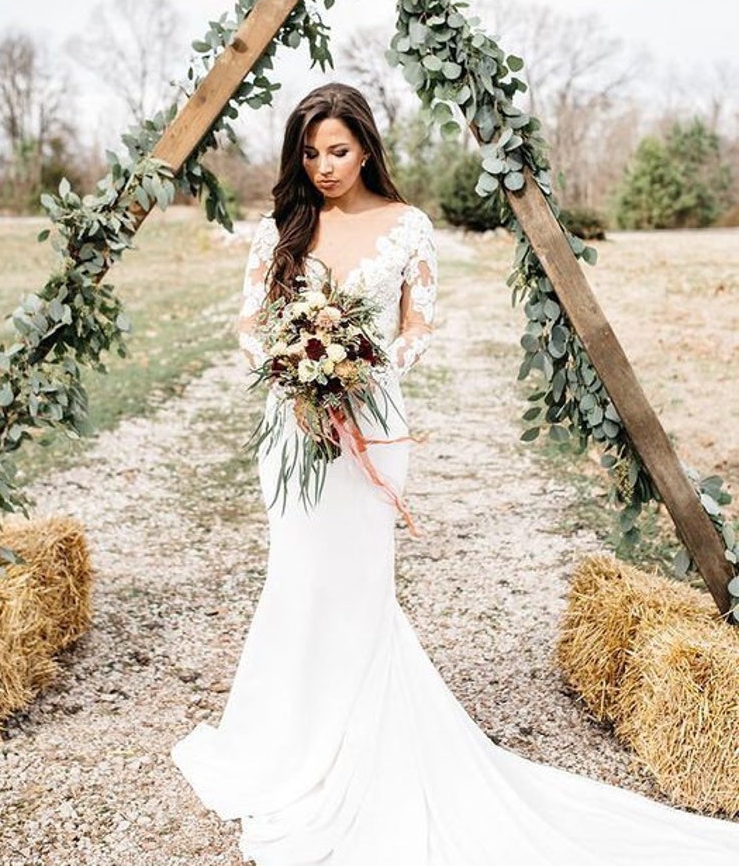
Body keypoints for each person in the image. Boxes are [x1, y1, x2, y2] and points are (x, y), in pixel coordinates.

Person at [172, 82, 739, 864]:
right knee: (297, 572)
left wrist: (355, 371)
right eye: (309, 151)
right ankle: (283, 736)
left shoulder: (409, 228)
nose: (323, 165)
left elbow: (416, 328)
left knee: (358, 577)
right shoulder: (283, 228)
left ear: (366, 146)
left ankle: (359, 742)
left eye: (337, 149)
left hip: (372, 423)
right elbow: (247, 323)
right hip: (293, 424)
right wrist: (295, 372)